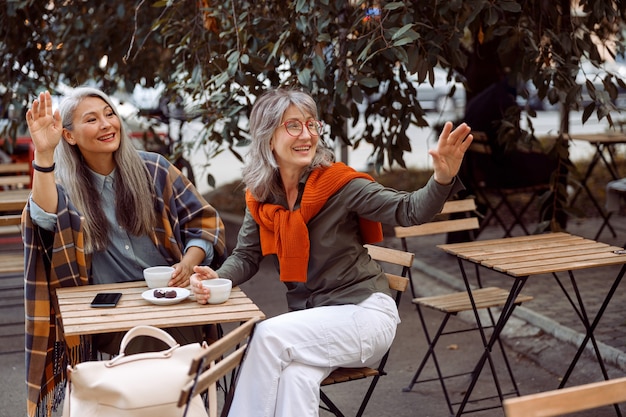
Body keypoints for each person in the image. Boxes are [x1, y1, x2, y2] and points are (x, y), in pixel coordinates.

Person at [189, 88, 472, 417]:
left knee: (267, 335)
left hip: (365, 316)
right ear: (267, 137)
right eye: (293, 126)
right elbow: (247, 256)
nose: (306, 134)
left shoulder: (340, 185)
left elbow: (408, 210)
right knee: (295, 377)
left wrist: (441, 178)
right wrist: (218, 278)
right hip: (316, 325)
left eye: (311, 124)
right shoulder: (263, 196)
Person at [22, 87, 226, 417]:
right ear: (69, 136)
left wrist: (190, 261)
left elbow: (203, 221)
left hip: (173, 302)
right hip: (107, 317)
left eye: (110, 114)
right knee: (153, 348)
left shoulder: (154, 169)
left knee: (164, 349)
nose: (106, 124)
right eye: (92, 119)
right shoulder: (61, 186)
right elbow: (44, 222)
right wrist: (44, 157)